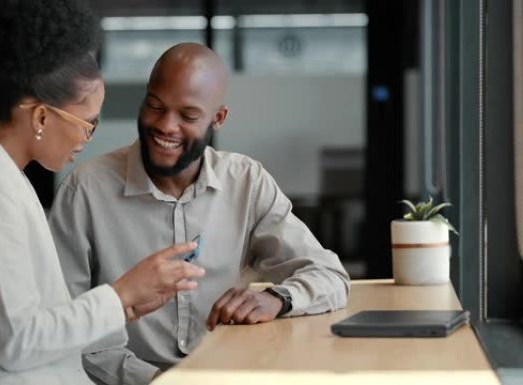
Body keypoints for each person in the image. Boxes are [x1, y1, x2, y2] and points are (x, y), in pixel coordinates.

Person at [0, 3, 205, 384]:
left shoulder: (1, 180)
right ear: (40, 116)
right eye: (87, 124)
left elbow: (34, 328)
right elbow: (19, 341)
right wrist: (119, 295)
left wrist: (126, 306)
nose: (87, 139)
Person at [49, 42, 351, 385]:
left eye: (188, 116)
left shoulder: (246, 182)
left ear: (217, 118)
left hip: (229, 374)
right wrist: (159, 380)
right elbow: (66, 327)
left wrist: (277, 298)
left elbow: (330, 276)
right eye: (155, 106)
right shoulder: (85, 191)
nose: (166, 126)